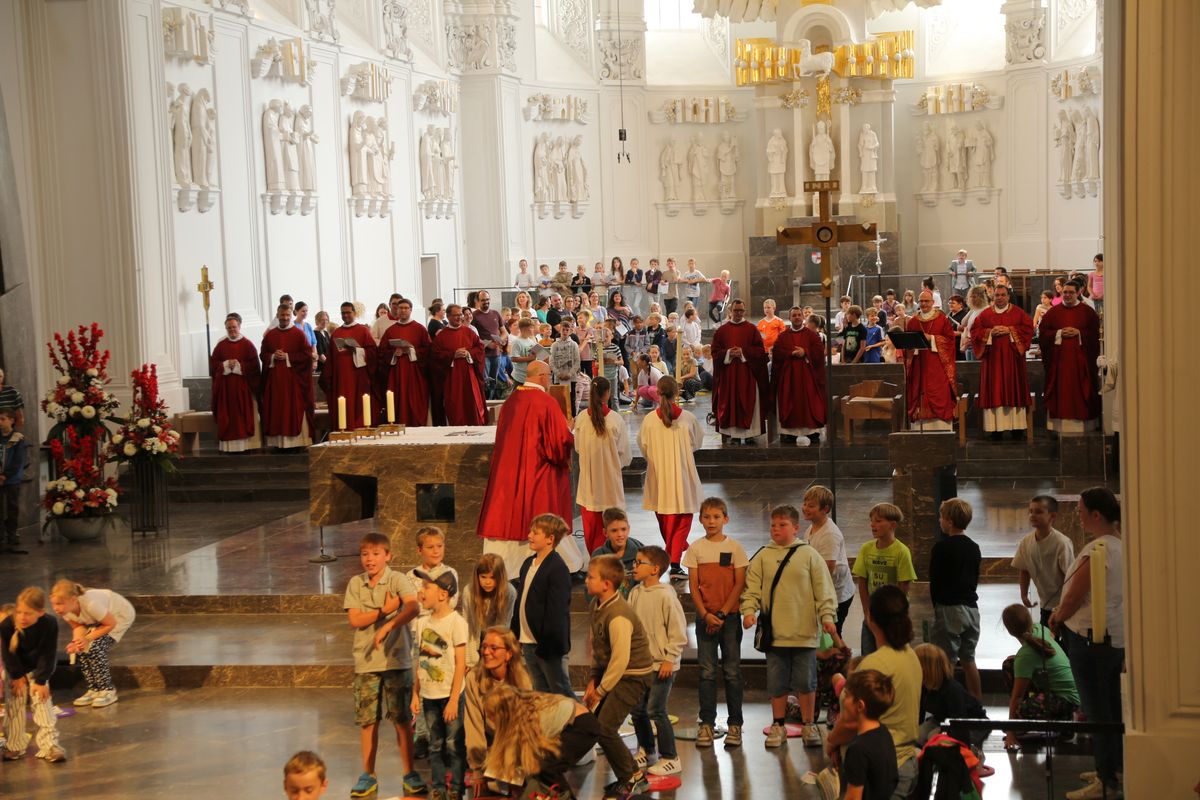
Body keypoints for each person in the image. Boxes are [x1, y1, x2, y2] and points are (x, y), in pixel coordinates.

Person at [1048, 488, 1125, 800]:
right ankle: (1111, 769)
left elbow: (1074, 596)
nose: (1078, 517)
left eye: (1081, 512)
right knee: (1111, 710)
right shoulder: (1122, 546)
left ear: (1096, 515)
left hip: (1090, 642)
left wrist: (1056, 618)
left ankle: (1106, 783)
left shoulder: (1099, 551)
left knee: (1096, 713)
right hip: (1115, 639)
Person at [742, 504, 839, 749]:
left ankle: (808, 724)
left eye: (782, 525)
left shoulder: (809, 555)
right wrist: (749, 611)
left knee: (807, 683)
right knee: (776, 684)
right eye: (773, 525)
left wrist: (827, 616)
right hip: (775, 635)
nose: (776, 529)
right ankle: (778, 725)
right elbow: (751, 587)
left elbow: (824, 589)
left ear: (796, 528)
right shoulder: (763, 555)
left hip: (804, 633)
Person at [343, 532, 424, 799]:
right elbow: (355, 620)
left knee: (401, 720)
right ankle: (368, 774)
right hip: (366, 662)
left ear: (387, 555)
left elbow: (412, 607)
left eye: (376, 554)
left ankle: (409, 772)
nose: (370, 559)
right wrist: (383, 611)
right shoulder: (356, 583)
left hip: (396, 660)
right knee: (369, 722)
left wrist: (390, 623)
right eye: (365, 554)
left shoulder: (398, 579)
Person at [477, 361, 574, 574]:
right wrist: (570, 432)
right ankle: (553, 563)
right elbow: (557, 444)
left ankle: (507, 568)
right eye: (549, 375)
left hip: (508, 472)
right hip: (538, 472)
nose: (550, 380)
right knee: (540, 513)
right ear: (541, 376)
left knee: (508, 514)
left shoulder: (511, 401)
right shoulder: (546, 403)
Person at [827, 586, 922, 799]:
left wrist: (831, 741)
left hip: (877, 773)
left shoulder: (873, 665)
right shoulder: (911, 655)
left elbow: (851, 721)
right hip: (906, 762)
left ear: (870, 617)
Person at [583, 554, 654, 798]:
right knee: (598, 727)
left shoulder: (619, 615)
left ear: (606, 584)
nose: (586, 580)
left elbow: (620, 660)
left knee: (604, 728)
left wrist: (600, 691)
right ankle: (631, 777)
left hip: (633, 676)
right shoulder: (597, 605)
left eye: (591, 577)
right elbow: (599, 648)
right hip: (615, 673)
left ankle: (632, 778)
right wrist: (594, 679)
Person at [683, 496, 748, 748]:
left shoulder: (735, 548)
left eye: (716, 517)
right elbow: (694, 586)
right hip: (705, 620)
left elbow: (739, 584)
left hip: (729, 618)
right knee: (707, 672)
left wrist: (721, 614)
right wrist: (704, 614)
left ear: (725, 519)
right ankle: (707, 724)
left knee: (732, 672)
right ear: (700, 519)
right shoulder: (696, 549)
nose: (711, 521)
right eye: (707, 517)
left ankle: (735, 724)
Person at [628, 545, 687, 776]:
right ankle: (648, 750)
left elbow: (678, 631)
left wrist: (669, 659)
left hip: (663, 663)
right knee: (637, 709)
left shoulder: (665, 595)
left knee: (656, 709)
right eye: (634, 562)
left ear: (654, 569)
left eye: (639, 562)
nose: (634, 566)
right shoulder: (635, 592)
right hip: (641, 663)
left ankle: (671, 756)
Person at [409, 570, 469, 800]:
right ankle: (438, 787)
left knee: (454, 744)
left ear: (443, 594)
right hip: (429, 694)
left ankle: (455, 788)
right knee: (435, 744)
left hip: (450, 694)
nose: (421, 592)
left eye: (427, 588)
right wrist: (416, 694)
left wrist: (454, 699)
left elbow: (460, 663)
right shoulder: (422, 623)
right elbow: (420, 661)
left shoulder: (457, 622)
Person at [482, 683, 599, 797]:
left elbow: (526, 758)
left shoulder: (527, 717)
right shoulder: (521, 709)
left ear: (502, 712)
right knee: (544, 768)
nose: (489, 718)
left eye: (491, 714)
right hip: (577, 723)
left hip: (582, 726)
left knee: (546, 768)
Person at [638, 376, 704, 573]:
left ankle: (673, 557)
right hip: (682, 474)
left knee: (666, 520)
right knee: (682, 520)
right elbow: (696, 443)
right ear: (677, 393)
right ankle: (675, 560)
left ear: (657, 393)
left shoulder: (649, 420)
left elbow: (644, 447)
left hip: (659, 475)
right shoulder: (688, 419)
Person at [1000, 604, 1080, 751]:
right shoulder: (1040, 629)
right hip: (1070, 691)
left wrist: (1011, 732)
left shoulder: (1025, 656)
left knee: (1021, 709)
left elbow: (1016, 698)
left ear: (1010, 631)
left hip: (1067, 700)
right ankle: (1022, 723)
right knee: (1010, 664)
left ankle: (1065, 721)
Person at [512, 514, 575, 698]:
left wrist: (545, 645)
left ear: (550, 539)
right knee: (541, 692)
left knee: (561, 691)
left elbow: (557, 612)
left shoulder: (557, 568)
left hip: (547, 645)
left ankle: (580, 725)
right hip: (528, 641)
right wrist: (515, 634)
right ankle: (549, 727)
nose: (530, 535)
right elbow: (521, 601)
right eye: (531, 531)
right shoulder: (527, 563)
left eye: (535, 532)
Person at [464, 627, 533, 788]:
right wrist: (477, 770)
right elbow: (473, 726)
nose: (486, 652)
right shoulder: (474, 679)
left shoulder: (523, 681)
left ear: (509, 654)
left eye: (493, 648)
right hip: (490, 747)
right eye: (484, 647)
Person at [49, 580, 136, 708]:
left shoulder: (91, 604)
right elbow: (78, 627)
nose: (56, 608)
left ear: (73, 600)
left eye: (59, 604)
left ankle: (107, 690)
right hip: (100, 620)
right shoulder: (65, 611)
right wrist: (76, 643)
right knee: (82, 648)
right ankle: (94, 689)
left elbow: (110, 624)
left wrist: (87, 638)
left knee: (96, 647)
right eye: (54, 604)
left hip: (119, 616)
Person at [1, 588, 64, 763]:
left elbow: (48, 653)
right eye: (19, 612)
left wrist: (41, 680)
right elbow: (8, 654)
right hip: (16, 669)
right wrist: (17, 675)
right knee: (15, 704)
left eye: (28, 613)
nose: (22, 617)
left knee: (42, 701)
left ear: (41, 613)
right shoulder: (6, 625)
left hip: (38, 668)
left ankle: (50, 745)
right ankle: (14, 746)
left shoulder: (49, 624)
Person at [928, 498, 983, 699]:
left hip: (949, 608)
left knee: (946, 661)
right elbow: (975, 577)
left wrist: (937, 608)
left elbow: (935, 582)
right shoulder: (974, 547)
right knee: (969, 660)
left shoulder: (941, 548)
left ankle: (948, 702)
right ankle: (977, 704)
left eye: (941, 517)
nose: (940, 521)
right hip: (972, 608)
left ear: (949, 521)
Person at [573, 378, 631, 552]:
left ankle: (595, 561)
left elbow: (577, 448)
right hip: (610, 483)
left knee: (591, 527)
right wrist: (611, 465)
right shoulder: (615, 419)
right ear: (608, 394)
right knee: (612, 523)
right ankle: (612, 561)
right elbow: (625, 455)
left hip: (589, 483)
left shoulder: (582, 418)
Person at [852, 503, 917, 656]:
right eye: (871, 521)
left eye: (878, 521)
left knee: (893, 655)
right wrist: (866, 611)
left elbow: (903, 586)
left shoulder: (901, 551)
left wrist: (895, 612)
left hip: (893, 616)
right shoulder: (866, 549)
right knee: (869, 656)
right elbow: (862, 582)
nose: (872, 525)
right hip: (872, 614)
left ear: (892, 525)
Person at [971, 284, 1034, 440]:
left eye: (1002, 295)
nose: (999, 298)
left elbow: (1028, 330)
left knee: (1015, 390)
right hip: (992, 363)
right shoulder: (984, 315)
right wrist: (990, 332)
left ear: (1008, 296)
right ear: (993, 297)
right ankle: (995, 430)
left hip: (1013, 362)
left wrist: (1010, 330)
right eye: (997, 295)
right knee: (995, 390)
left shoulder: (1019, 314)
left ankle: (1017, 428)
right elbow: (974, 332)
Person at [1038, 280, 1102, 433]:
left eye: (1071, 292)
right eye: (1064, 292)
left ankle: (1085, 425)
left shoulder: (1088, 313)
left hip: (1081, 363)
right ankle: (1059, 426)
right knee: (1061, 392)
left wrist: (1079, 333)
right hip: (1059, 364)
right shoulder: (1052, 313)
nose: (1067, 295)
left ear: (1078, 293)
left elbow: (1095, 336)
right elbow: (1043, 335)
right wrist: (1058, 333)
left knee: (1081, 390)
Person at [835, 670, 899, 800]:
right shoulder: (884, 732)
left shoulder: (858, 750)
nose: (843, 701)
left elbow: (853, 798)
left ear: (860, 706)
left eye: (846, 696)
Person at [711, 299, 769, 445]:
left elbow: (760, 352)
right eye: (735, 310)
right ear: (730, 311)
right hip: (728, 375)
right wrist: (729, 353)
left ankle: (750, 434)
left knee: (748, 401)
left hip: (747, 374)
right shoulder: (721, 331)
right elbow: (715, 352)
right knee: (730, 402)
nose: (738, 313)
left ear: (745, 311)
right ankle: (734, 435)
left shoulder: (751, 329)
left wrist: (743, 352)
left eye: (741, 311)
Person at [913, 644, 988, 755]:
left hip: (972, 724)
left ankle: (975, 753)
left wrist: (964, 753)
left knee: (933, 737)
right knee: (918, 735)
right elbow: (918, 713)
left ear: (925, 668)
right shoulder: (923, 685)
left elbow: (960, 724)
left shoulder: (952, 690)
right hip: (942, 720)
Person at [1012, 495, 1074, 627]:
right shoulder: (1026, 542)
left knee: (1063, 644)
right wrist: (1024, 595)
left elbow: (1071, 577)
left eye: (1039, 512)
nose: (1033, 515)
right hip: (1045, 603)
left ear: (1052, 516)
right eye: (1031, 511)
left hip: (1064, 606)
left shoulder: (1061, 543)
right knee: (1047, 641)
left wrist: (1064, 606)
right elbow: (1024, 570)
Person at [260, 303, 315, 448]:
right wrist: (272, 356)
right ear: (277, 315)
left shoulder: (298, 334)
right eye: (282, 315)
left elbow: (307, 355)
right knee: (277, 411)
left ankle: (295, 444)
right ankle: (278, 444)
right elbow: (262, 354)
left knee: (292, 410)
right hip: (275, 383)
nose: (284, 318)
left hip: (293, 383)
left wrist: (288, 356)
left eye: (287, 315)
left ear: (291, 316)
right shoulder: (270, 335)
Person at [803, 485, 854, 635]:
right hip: (824, 591)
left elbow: (828, 568)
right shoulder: (812, 527)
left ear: (825, 509)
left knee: (832, 634)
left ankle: (837, 657)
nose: (805, 508)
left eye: (811, 506)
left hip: (836, 595)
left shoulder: (829, 535)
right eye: (805, 503)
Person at [772, 306, 826, 446]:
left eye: (798, 315)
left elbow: (819, 352)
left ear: (803, 317)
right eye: (794, 315)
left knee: (810, 402)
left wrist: (805, 352)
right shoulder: (783, 336)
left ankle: (812, 432)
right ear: (789, 318)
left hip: (807, 376)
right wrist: (790, 353)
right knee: (791, 402)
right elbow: (777, 353)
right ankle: (790, 433)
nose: (796, 317)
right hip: (789, 377)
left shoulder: (812, 335)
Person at [903, 290, 957, 431]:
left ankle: (942, 429)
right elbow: (907, 347)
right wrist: (909, 347)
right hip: (918, 367)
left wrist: (931, 338)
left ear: (933, 302)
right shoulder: (913, 321)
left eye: (927, 301)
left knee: (938, 394)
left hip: (937, 367)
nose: (924, 304)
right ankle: (919, 430)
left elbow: (950, 341)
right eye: (921, 301)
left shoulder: (942, 319)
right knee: (919, 393)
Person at [209, 314, 261, 452]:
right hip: (225, 390)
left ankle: (245, 447)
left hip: (242, 389)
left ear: (239, 327)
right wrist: (225, 365)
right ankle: (229, 448)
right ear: (226, 328)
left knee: (241, 418)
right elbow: (213, 365)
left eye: (234, 327)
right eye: (229, 328)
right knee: (227, 418)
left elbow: (255, 367)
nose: (232, 330)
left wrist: (238, 365)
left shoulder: (248, 344)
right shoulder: (221, 345)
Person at [377, 298, 432, 426]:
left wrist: (411, 351)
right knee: (397, 400)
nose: (402, 310)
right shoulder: (391, 330)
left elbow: (428, 351)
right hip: (397, 373)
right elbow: (382, 351)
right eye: (400, 308)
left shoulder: (419, 329)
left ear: (411, 310)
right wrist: (393, 354)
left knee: (415, 400)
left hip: (415, 373)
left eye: (406, 308)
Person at [324, 301, 378, 430]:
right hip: (340, 378)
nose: (345, 315)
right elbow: (330, 357)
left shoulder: (363, 331)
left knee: (358, 404)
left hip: (358, 377)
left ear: (354, 313)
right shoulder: (336, 333)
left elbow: (372, 353)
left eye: (348, 312)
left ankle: (359, 429)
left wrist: (358, 350)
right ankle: (344, 430)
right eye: (343, 313)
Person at [430, 304, 486, 426]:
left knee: (470, 403)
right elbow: (435, 356)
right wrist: (452, 355)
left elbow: (480, 349)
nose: (459, 317)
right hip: (451, 378)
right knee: (455, 405)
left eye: (460, 314)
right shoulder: (442, 336)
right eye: (455, 315)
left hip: (469, 376)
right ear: (448, 316)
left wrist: (469, 352)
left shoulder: (469, 332)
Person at [460, 554, 515, 668]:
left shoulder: (509, 592)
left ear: (500, 577)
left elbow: (505, 625)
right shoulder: (469, 592)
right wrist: (468, 659)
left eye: (492, 577)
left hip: (496, 640)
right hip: (475, 638)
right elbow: (468, 624)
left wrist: (498, 653)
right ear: (477, 576)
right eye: (483, 577)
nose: (487, 582)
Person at [0, 409, 29, 553]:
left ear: (12, 420)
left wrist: (5, 475)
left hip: (12, 479)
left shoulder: (18, 438)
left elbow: (18, 461)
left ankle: (12, 534)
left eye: (3, 419)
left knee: (12, 508)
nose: (0, 422)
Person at [958, 284, 989, 361]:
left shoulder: (986, 310)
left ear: (981, 297)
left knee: (977, 369)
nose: (971, 299)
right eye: (970, 297)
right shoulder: (974, 310)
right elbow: (963, 323)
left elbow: (984, 331)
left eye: (974, 297)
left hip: (978, 345)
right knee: (970, 369)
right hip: (969, 345)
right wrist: (971, 309)